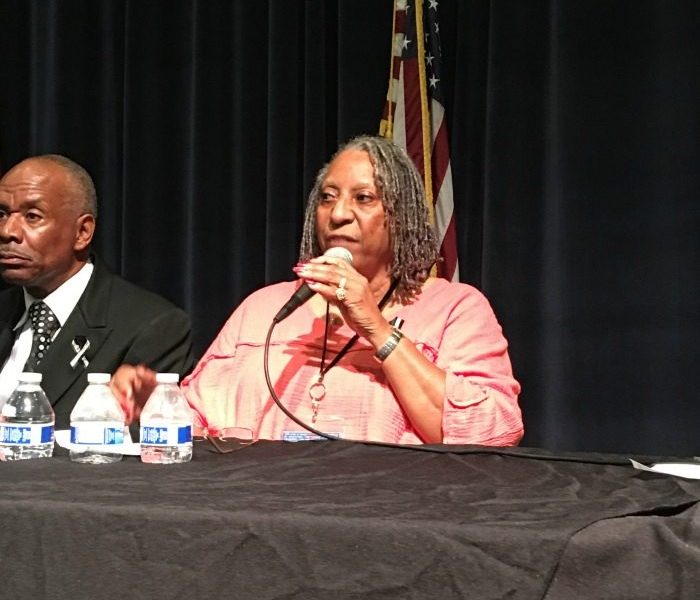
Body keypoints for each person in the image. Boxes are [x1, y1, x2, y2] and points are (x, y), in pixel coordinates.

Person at [113, 136, 523, 446]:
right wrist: (159, 403)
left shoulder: (453, 309)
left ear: (402, 216)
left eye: (364, 198)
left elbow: (491, 432)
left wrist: (378, 330)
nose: (339, 213)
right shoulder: (264, 307)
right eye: (328, 198)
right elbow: (206, 425)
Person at [0, 153, 195, 428]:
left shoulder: (153, 326)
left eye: (32, 216)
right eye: (2, 214)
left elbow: (142, 445)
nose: (8, 231)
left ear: (82, 232)